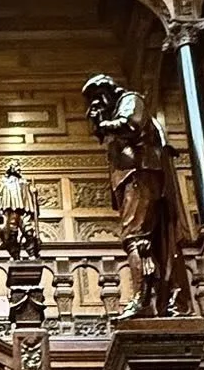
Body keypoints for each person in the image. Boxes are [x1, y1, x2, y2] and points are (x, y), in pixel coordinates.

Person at [82, 73, 193, 318]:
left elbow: (130, 124)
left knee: (135, 237)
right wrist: (99, 122)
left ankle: (143, 301)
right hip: (133, 176)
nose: (95, 106)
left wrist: (103, 123)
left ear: (105, 92)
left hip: (140, 174)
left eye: (96, 99)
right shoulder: (117, 106)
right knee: (140, 239)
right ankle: (155, 299)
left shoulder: (130, 99)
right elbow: (105, 134)